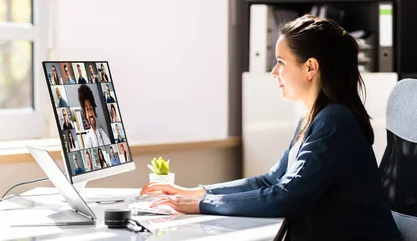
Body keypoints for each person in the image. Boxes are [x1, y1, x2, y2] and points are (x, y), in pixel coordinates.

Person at [139, 15, 401, 240]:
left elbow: (285, 196)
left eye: (281, 62)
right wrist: (199, 192)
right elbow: (271, 180)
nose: (274, 72)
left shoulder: (335, 121)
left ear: (310, 67)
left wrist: (200, 205)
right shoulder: (316, 118)